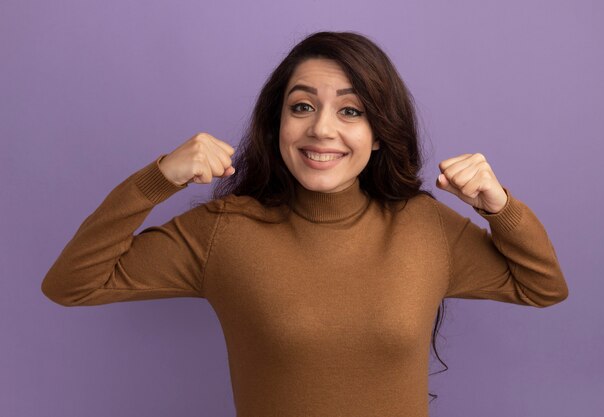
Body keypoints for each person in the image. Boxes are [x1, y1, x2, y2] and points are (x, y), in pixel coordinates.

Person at [41, 31, 568, 416]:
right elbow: (73, 285)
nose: (322, 130)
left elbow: (542, 286)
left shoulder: (424, 225)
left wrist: (499, 207)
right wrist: (158, 179)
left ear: (380, 132)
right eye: (302, 106)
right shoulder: (223, 230)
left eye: (351, 112)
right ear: (276, 126)